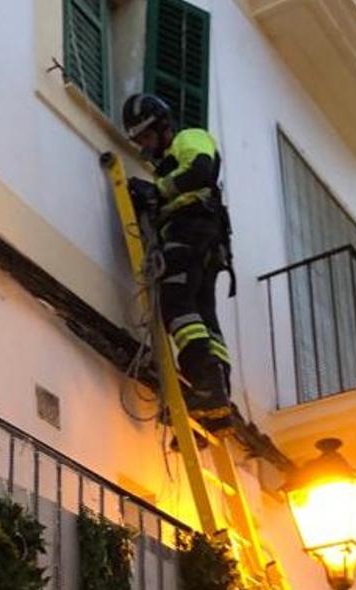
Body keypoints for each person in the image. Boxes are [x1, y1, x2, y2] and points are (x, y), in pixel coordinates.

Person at [122, 93, 234, 426]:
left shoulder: (190, 138)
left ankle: (206, 382)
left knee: (177, 305)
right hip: (206, 240)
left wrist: (156, 192)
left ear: (163, 125)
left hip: (192, 229)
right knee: (204, 316)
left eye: (147, 135)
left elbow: (200, 170)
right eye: (139, 139)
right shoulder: (164, 168)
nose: (145, 144)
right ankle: (218, 399)